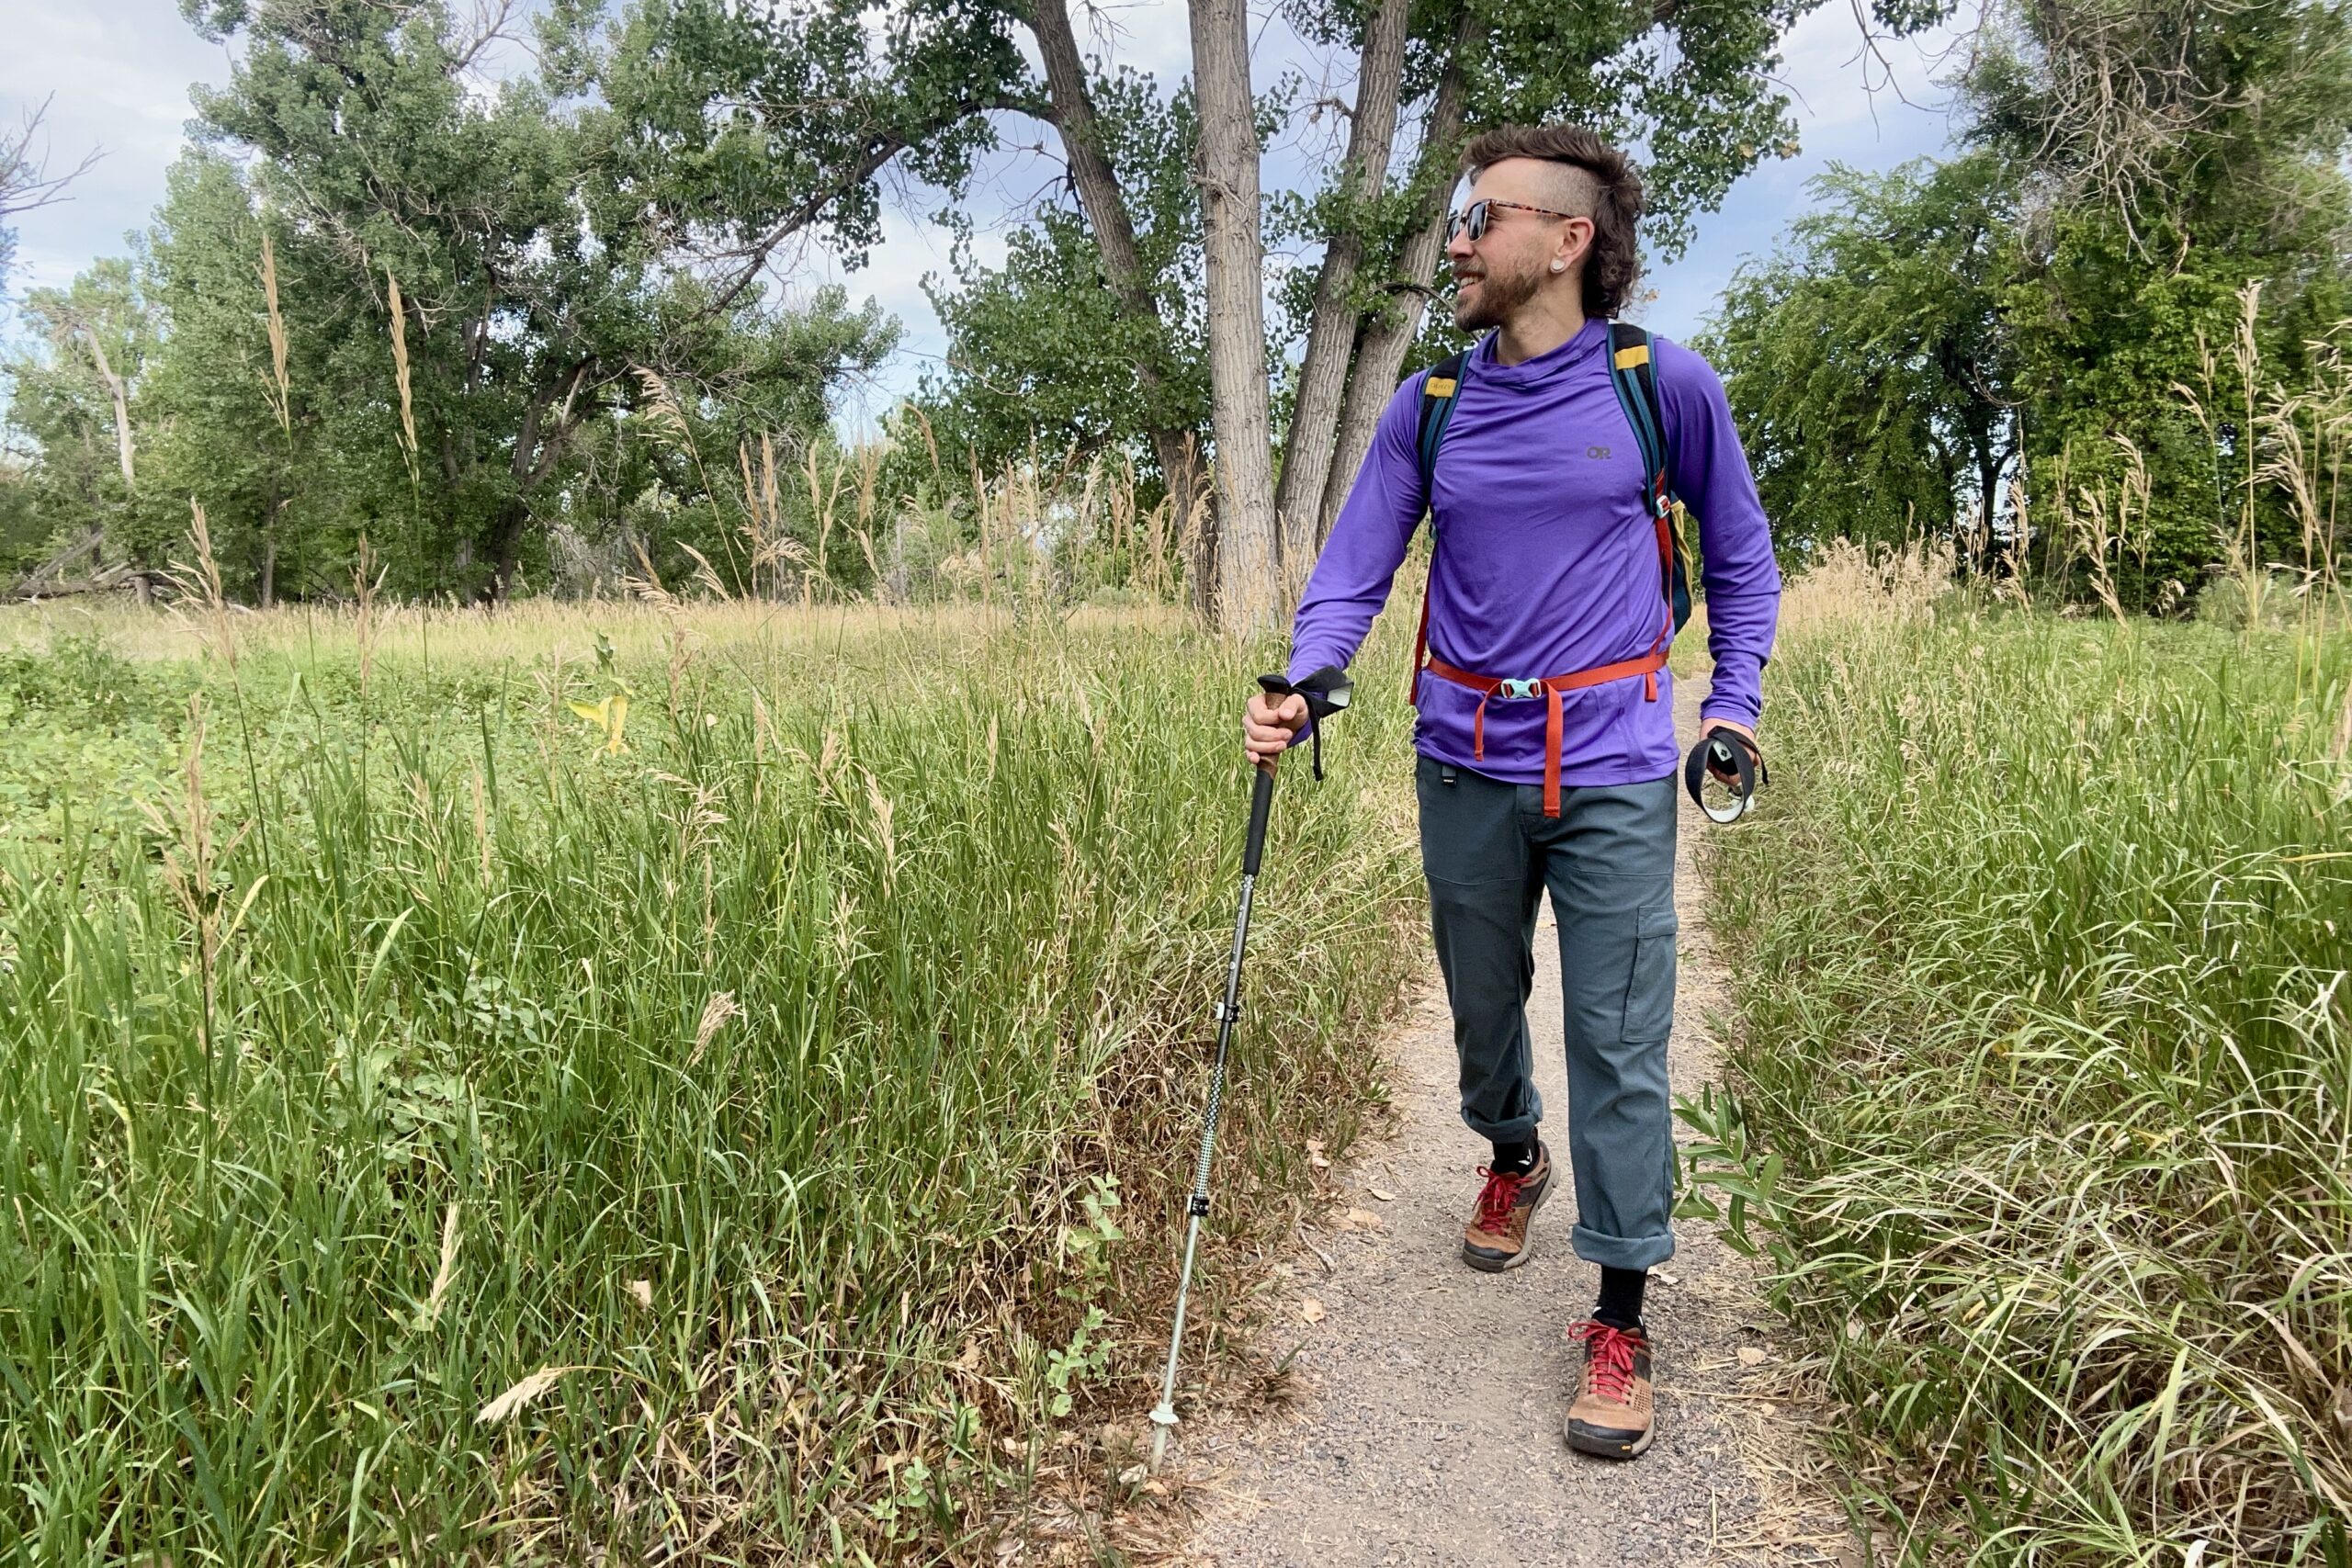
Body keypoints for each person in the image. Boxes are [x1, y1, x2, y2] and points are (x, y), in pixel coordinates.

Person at [1242, 123, 1781, 1461]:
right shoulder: (1432, 404)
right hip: (1462, 761)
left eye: (1488, 220)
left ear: (1569, 241)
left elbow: (1746, 562)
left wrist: (1732, 706)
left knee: (1617, 1039)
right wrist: (1305, 678)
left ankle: (1620, 1312)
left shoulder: (1664, 387)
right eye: (1464, 221)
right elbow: (1357, 566)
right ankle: (1512, 1150)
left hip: (1613, 767)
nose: (1463, 244)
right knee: (1485, 1009)